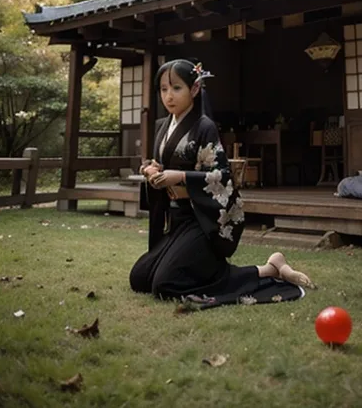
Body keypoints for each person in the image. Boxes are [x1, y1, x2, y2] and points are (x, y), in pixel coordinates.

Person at [129, 59, 316, 309]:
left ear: (194, 89)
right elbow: (158, 162)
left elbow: (222, 175)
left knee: (165, 285)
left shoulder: (204, 127)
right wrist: (149, 169)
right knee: (139, 278)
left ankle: (269, 270)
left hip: (202, 221)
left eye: (176, 88)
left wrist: (181, 177)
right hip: (177, 221)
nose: (169, 96)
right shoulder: (163, 126)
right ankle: (270, 267)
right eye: (163, 89)